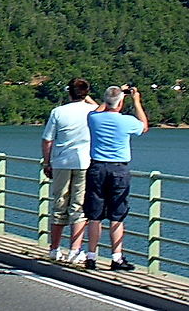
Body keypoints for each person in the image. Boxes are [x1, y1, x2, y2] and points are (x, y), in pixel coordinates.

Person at [83, 84, 149, 271]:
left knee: (94, 215)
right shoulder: (127, 121)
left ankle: (91, 257)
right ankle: (116, 258)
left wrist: (114, 94)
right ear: (120, 103)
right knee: (117, 215)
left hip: (97, 168)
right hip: (119, 169)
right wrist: (136, 101)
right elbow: (144, 126)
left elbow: (99, 109)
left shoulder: (94, 118)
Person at [40, 78, 97, 264]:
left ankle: (54, 249)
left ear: (69, 92)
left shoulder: (58, 112)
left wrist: (47, 162)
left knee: (59, 205)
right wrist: (89, 99)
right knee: (78, 207)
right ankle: (75, 250)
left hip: (61, 162)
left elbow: (47, 139)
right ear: (86, 93)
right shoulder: (93, 112)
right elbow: (105, 109)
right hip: (85, 163)